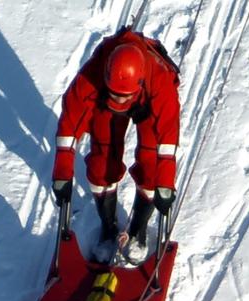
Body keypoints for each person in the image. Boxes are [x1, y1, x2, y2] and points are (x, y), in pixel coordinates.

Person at [51, 28, 182, 264]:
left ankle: (137, 230)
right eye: (116, 94)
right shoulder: (91, 77)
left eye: (124, 96)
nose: (119, 101)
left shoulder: (160, 83)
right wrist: (62, 174)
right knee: (102, 161)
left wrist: (165, 185)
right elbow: (69, 126)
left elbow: (167, 140)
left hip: (146, 105)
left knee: (152, 166)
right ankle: (108, 226)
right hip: (103, 104)